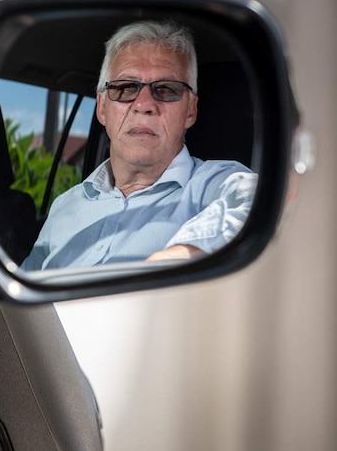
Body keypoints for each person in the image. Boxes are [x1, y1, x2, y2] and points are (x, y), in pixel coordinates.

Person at [21, 20, 257, 271]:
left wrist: (176, 259)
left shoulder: (212, 184)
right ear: (102, 107)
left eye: (166, 89)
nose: (144, 104)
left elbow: (265, 201)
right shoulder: (64, 206)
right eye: (125, 88)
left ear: (190, 110)